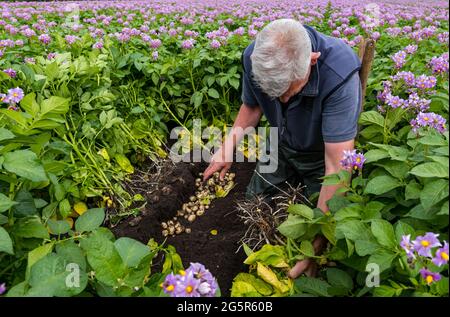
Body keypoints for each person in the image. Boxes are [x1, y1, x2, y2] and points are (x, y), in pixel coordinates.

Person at [203, 19, 362, 279]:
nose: (282, 101)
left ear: (312, 60)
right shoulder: (257, 57)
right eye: (275, 95)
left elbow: (338, 166)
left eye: (290, 92)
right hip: (279, 142)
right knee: (253, 206)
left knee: (323, 225)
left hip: (322, 156)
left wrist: (315, 244)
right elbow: (253, 106)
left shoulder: (338, 75)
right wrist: (227, 148)